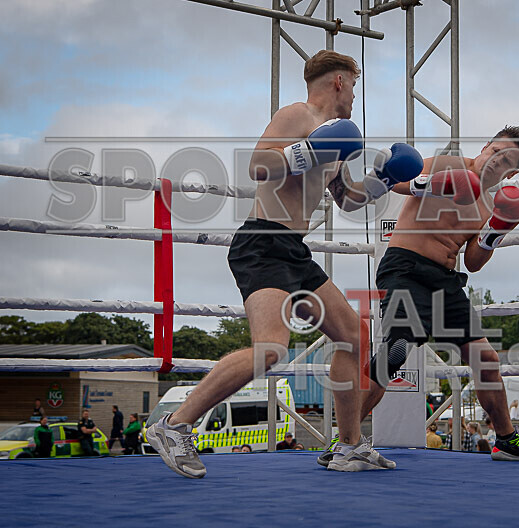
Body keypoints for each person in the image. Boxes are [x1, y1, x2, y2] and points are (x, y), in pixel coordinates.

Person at [147, 50, 422, 478]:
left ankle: (349, 446)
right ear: (338, 82)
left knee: (353, 334)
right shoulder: (298, 115)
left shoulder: (338, 138)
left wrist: (381, 180)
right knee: (271, 348)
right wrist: (308, 150)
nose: (354, 94)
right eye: (354, 84)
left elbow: (347, 200)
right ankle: (175, 424)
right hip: (262, 243)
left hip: (295, 251)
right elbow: (259, 165)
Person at [332, 126, 519, 463]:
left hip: (446, 280)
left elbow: (474, 262)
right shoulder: (446, 165)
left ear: (513, 171)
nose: (497, 161)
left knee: (487, 359)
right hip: (405, 266)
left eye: (506, 160)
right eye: (496, 150)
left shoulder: (490, 205)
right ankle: (347, 442)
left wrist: (497, 229)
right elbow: (398, 180)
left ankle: (506, 440)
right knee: (395, 352)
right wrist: (430, 184)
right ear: (486, 146)